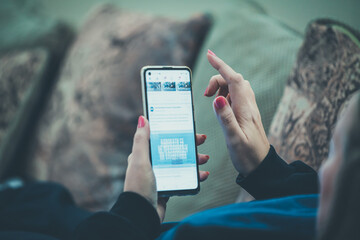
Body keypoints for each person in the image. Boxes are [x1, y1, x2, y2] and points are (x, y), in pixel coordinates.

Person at [0, 50, 358, 239]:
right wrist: (265, 168)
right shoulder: (327, 215)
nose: (322, 167)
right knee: (39, 200)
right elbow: (312, 203)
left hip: (126, 230)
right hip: (130, 228)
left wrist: (134, 209)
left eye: (335, 152)